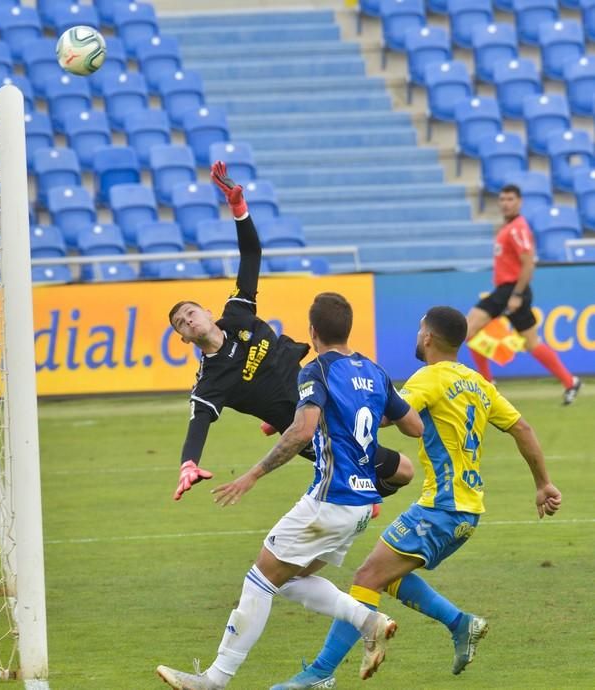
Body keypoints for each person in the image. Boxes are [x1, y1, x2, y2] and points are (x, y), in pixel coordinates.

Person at [272, 306, 562, 690]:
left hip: (442, 506)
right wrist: (543, 483)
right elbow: (522, 427)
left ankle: (320, 673)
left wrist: (312, 415)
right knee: (388, 576)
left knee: (366, 578)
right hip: (463, 507)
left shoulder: (429, 378)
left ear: (427, 337)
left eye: (419, 329)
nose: (416, 335)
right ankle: (461, 624)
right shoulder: (477, 382)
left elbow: (384, 415)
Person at [156, 292, 424, 689]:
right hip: (361, 504)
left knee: (259, 581)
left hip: (330, 499)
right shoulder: (373, 371)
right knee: (288, 580)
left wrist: (252, 476)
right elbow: (414, 427)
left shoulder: (314, 372)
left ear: (312, 332)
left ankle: (212, 681)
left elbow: (301, 432)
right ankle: (368, 621)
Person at [170, 161, 414, 502]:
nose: (189, 320)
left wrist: (239, 209)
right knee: (402, 470)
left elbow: (251, 254)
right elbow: (198, 423)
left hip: (322, 392)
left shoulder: (237, 314)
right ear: (184, 339)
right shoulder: (211, 379)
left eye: (191, 312)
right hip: (310, 430)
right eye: (181, 323)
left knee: (388, 419)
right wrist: (188, 464)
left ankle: (363, 489)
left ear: (207, 313)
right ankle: (362, 494)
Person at [466, 184, 581, 405]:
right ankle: (570, 381)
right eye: (502, 199)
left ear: (519, 202)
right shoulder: (508, 227)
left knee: (468, 329)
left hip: (511, 290)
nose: (505, 203)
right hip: (506, 290)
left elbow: (528, 263)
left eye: (510, 199)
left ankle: (487, 384)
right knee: (531, 343)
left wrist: (517, 294)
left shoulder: (518, 228)